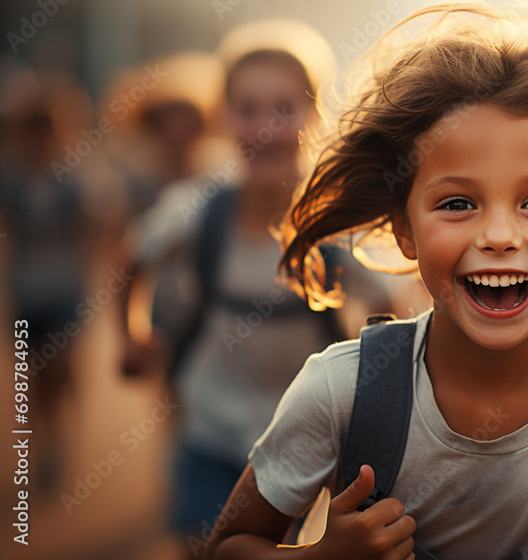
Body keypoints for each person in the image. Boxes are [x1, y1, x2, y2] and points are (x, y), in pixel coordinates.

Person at [204, 5, 528, 560]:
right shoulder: (339, 395)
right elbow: (226, 547)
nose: (499, 235)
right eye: (457, 203)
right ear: (405, 229)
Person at [118, 24, 389, 556]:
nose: (265, 128)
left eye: (284, 108)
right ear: (222, 118)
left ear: (316, 118)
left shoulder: (336, 226)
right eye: (247, 109)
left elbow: (386, 304)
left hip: (303, 446)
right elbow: (133, 260)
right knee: (201, 546)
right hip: (208, 431)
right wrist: (132, 333)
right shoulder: (196, 208)